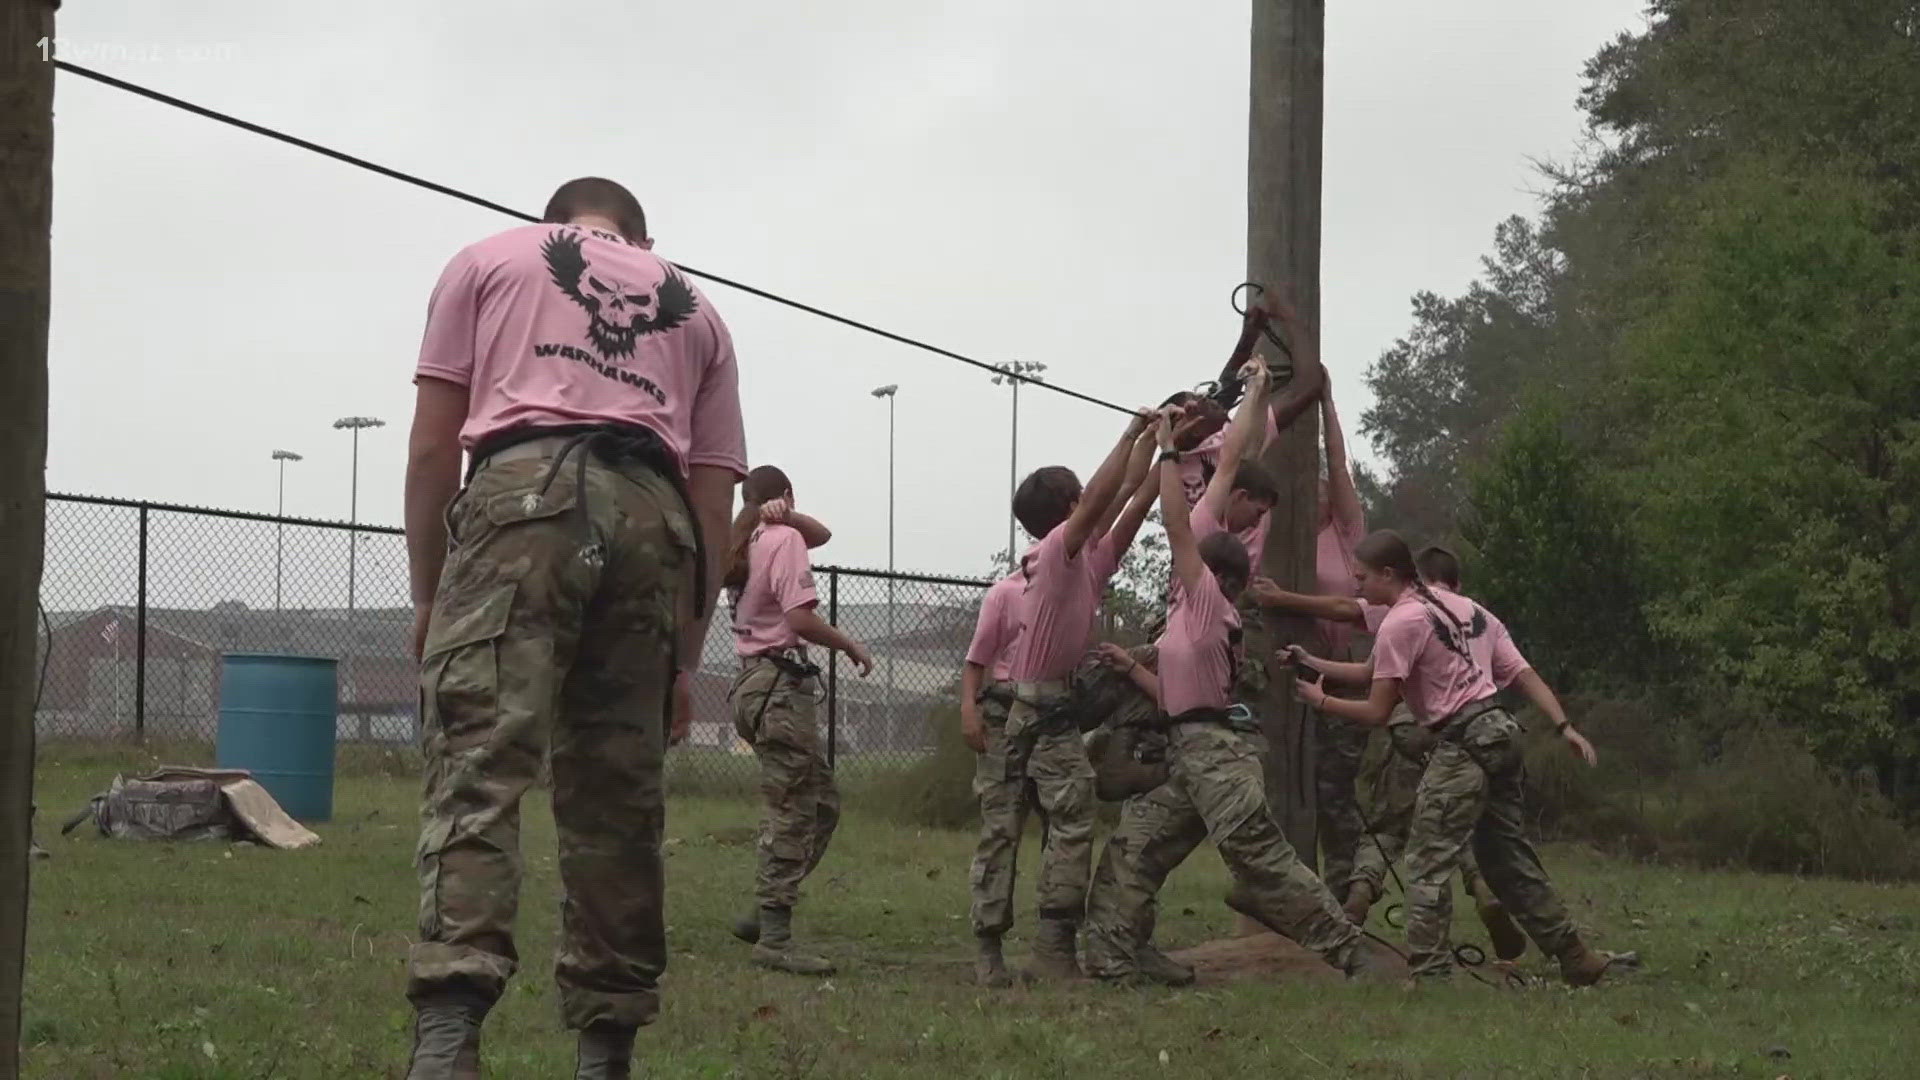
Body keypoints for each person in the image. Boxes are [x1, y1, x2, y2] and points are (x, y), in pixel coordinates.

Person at [403, 177, 743, 1079]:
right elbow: (715, 494)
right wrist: (687, 652)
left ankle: (449, 1040)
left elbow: (436, 444)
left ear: (560, 224)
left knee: (480, 759)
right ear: (641, 237)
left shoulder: (488, 258)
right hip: (654, 513)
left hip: (524, 490)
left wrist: (429, 597)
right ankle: (605, 1053)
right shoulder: (700, 310)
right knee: (618, 795)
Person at [1080, 410, 1377, 984]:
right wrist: (1129, 665)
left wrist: (1168, 452)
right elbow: (1176, 696)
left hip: (1216, 758)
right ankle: (1118, 957)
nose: (1180, 567)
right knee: (1134, 850)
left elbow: (1177, 524)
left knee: (1260, 861)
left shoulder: (1209, 604)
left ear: (1217, 577)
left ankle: (1350, 951)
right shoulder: (1190, 619)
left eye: (1192, 564)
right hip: (1189, 751)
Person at [1290, 531, 1610, 986]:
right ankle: (1575, 955)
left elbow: (1378, 710)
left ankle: (1430, 973)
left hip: (1462, 743)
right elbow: (1520, 673)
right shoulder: (1470, 611)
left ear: (1389, 574)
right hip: (1500, 734)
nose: (1356, 587)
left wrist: (1319, 703)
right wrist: (1565, 727)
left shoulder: (1401, 621)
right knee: (1505, 857)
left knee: (1425, 860)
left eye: (1361, 578)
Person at [960, 420, 1159, 987]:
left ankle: (1040, 949)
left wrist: (1164, 448)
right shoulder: (1055, 554)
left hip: (1049, 710)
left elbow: (1133, 499)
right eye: (1080, 501)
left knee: (1055, 823)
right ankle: (1017, 951)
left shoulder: (1088, 562)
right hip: (1033, 712)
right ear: (1070, 508)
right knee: (1029, 826)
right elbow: (1107, 496)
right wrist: (1129, 435)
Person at [723, 466, 872, 976]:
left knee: (822, 804)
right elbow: (800, 619)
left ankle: (765, 912)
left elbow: (822, 534)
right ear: (787, 496)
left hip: (750, 685)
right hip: (779, 687)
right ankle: (776, 936)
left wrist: (781, 512)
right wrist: (849, 643)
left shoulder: (746, 540)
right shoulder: (783, 539)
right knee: (793, 810)